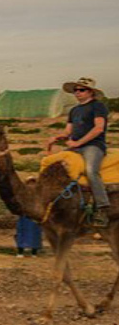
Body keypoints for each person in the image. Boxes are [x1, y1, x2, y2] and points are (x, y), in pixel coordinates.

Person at [47, 77, 111, 228]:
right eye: (75, 90)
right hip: (75, 146)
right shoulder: (74, 110)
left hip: (93, 146)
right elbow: (68, 131)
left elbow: (98, 128)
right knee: (57, 168)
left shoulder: (98, 106)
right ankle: (61, 205)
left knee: (90, 171)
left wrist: (78, 143)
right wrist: (57, 137)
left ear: (91, 92)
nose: (77, 92)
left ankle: (102, 208)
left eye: (81, 90)